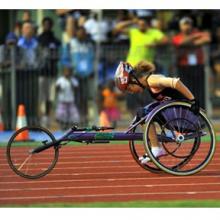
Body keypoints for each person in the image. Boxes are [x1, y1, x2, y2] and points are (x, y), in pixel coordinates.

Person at [114, 60, 199, 164]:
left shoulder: (152, 80)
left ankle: (156, 148)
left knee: (143, 113)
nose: (131, 92)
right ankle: (157, 145)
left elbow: (175, 82)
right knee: (142, 113)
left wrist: (193, 100)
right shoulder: (149, 84)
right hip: (174, 113)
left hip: (184, 114)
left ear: (134, 80)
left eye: (129, 88)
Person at [172, 17, 211, 109]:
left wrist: (189, 43)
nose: (187, 27)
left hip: (198, 67)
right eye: (185, 25)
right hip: (183, 68)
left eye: (188, 24)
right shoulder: (177, 37)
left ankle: (201, 111)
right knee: (186, 91)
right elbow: (181, 43)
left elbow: (207, 39)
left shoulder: (198, 33)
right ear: (180, 26)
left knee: (199, 91)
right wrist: (194, 38)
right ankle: (187, 110)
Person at [38, 17, 61, 127]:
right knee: (42, 97)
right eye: (45, 24)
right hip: (42, 73)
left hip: (52, 73)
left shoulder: (56, 40)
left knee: (50, 97)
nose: (47, 26)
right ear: (43, 25)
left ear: (51, 26)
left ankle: (47, 118)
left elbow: (58, 55)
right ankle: (41, 118)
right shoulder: (39, 39)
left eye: (49, 24)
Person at [55, 64, 80, 131]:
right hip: (63, 101)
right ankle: (63, 127)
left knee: (75, 116)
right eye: (66, 72)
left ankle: (73, 129)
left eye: (69, 72)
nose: (67, 73)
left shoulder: (73, 80)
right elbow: (56, 88)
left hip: (70, 101)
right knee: (61, 116)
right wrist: (58, 87)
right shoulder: (60, 80)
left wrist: (71, 82)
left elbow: (76, 88)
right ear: (63, 72)